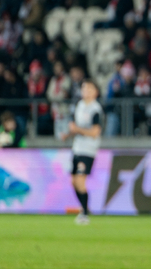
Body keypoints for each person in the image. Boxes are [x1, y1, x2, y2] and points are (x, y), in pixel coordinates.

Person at [61, 80, 104, 225]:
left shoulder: (95, 109)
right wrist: (68, 135)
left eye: (89, 88)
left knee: (80, 180)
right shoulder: (79, 106)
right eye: (84, 88)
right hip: (77, 148)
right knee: (73, 181)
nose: (85, 91)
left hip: (88, 150)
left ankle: (84, 213)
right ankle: (85, 208)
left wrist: (77, 129)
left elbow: (95, 132)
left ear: (95, 92)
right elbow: (77, 128)